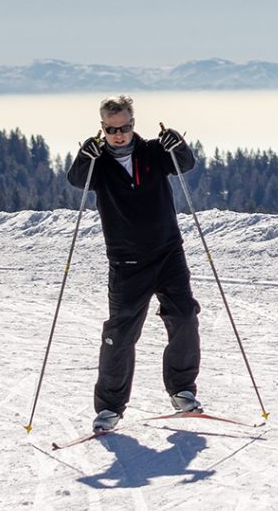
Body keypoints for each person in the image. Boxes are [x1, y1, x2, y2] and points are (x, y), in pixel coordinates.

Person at [67, 95, 202, 434]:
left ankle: (182, 391)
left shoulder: (154, 152)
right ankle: (109, 409)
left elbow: (184, 164)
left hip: (168, 252)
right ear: (103, 128)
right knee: (121, 334)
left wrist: (177, 142)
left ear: (133, 124)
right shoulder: (98, 162)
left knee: (184, 316)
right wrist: (85, 155)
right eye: (112, 130)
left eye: (125, 127)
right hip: (127, 261)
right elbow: (77, 180)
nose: (119, 135)